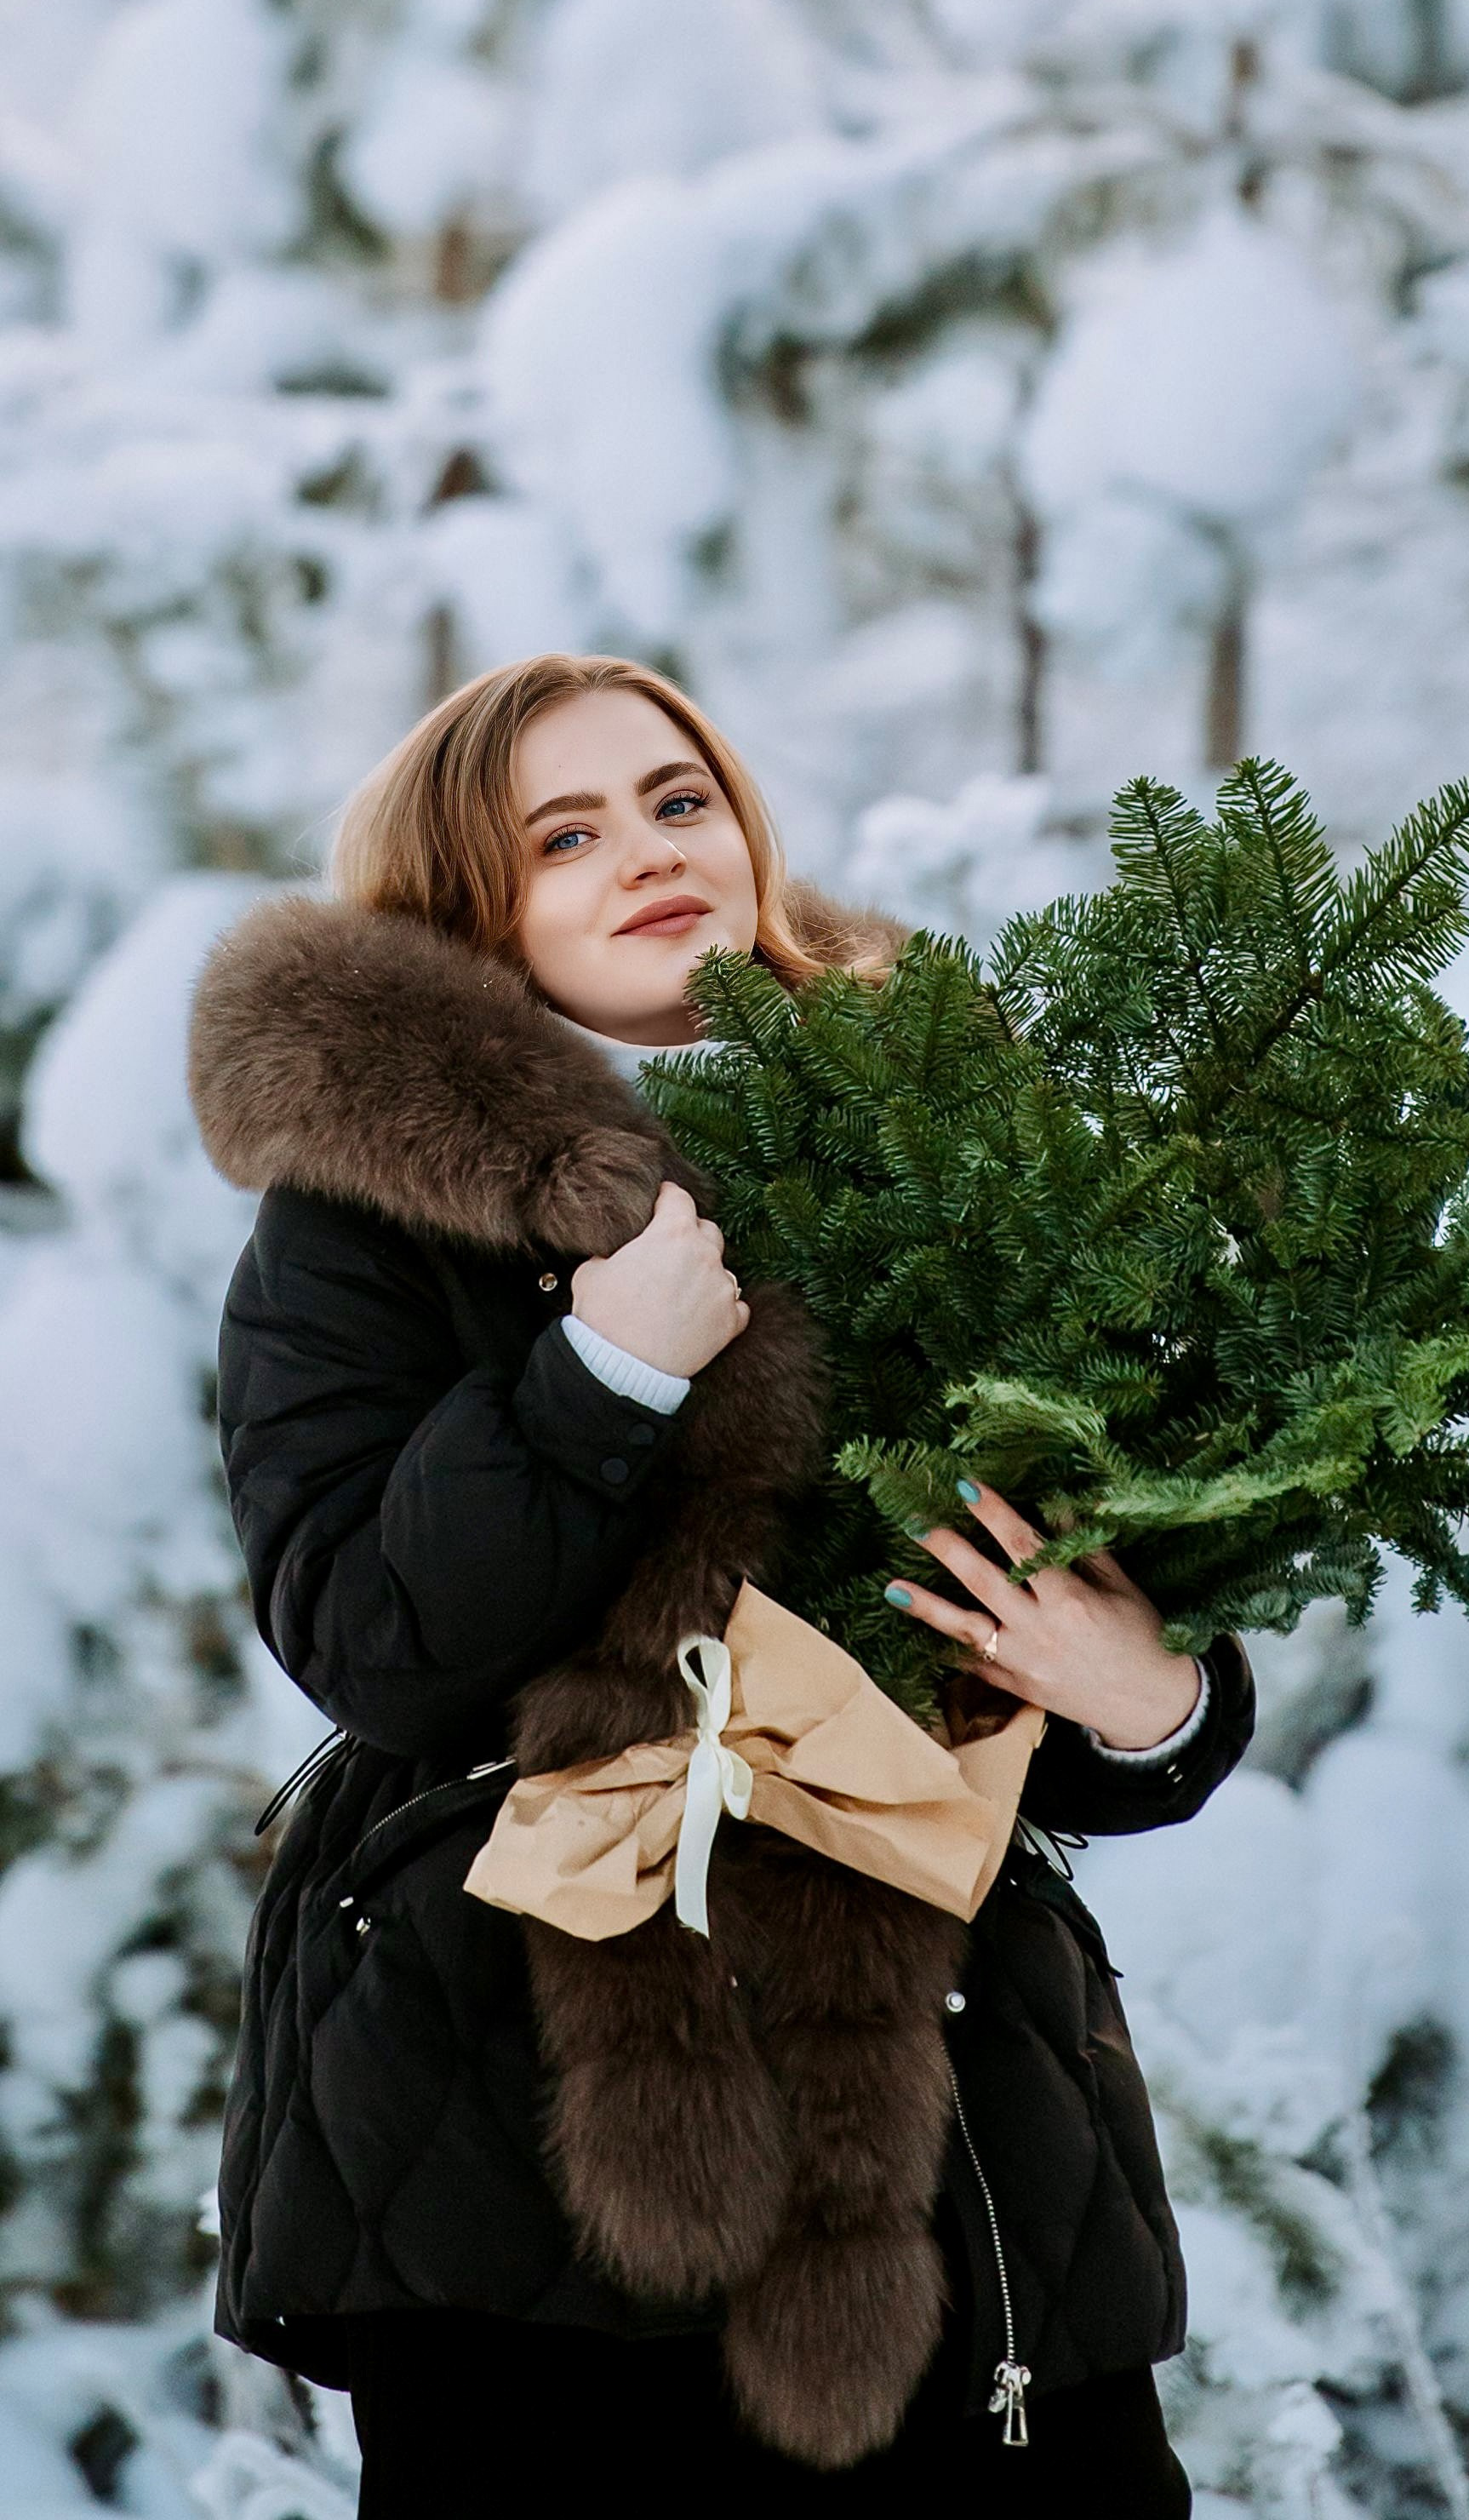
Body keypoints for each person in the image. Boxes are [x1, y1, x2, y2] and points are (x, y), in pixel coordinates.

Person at [189, 653, 1255, 2517]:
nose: (649, 854)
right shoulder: (362, 1216)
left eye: (679, 802)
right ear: (468, 904)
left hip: (946, 2113)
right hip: (527, 2120)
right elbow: (375, 1643)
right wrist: (604, 1375)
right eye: (567, 834)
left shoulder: (952, 1149)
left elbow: (1065, 1698)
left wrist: (1148, 1696)